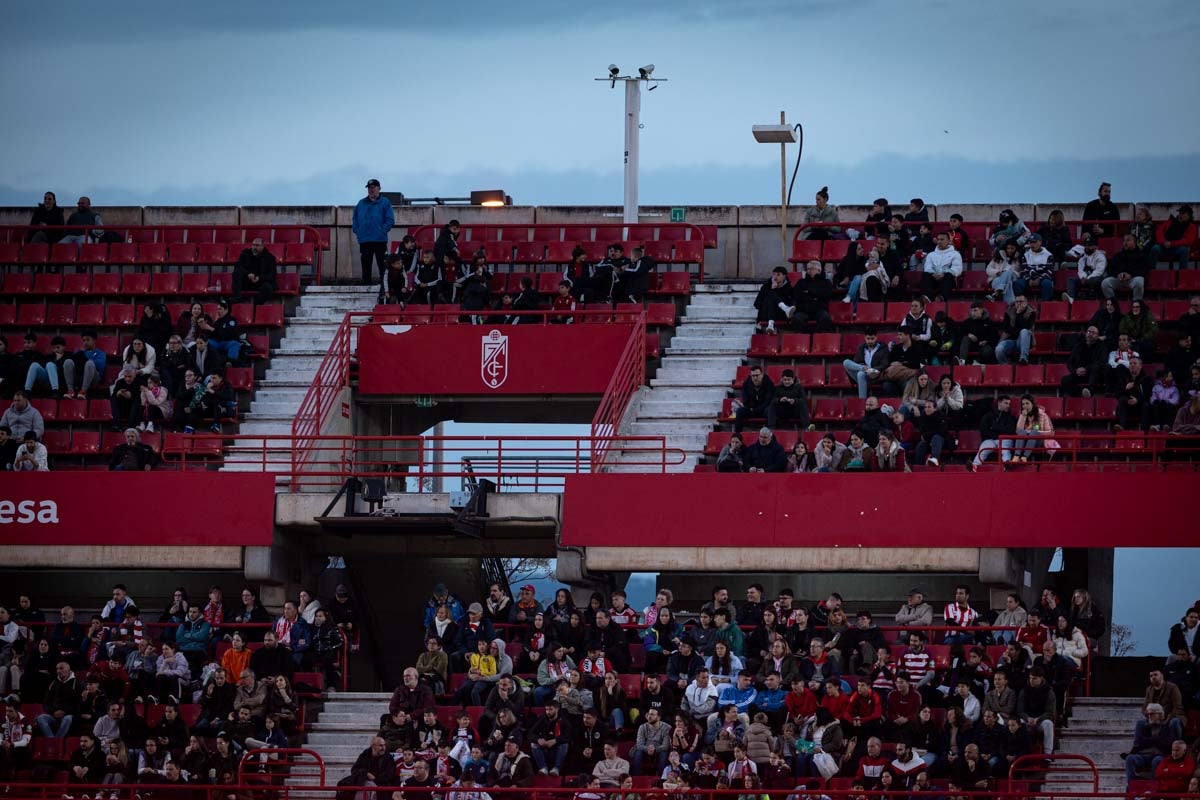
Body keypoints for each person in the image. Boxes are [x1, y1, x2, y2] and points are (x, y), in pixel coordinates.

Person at [352, 179, 394, 286]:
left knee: (383, 264)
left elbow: (390, 220)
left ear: (379, 188)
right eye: (369, 188)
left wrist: (382, 230)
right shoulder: (361, 203)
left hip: (380, 240)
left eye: (373, 187)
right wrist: (357, 230)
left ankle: (384, 286)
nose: (371, 190)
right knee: (365, 264)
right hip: (364, 239)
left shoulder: (385, 202)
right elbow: (355, 218)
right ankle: (366, 285)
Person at [1123, 704, 1173, 787]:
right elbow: (1139, 742)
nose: (1149, 716)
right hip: (1142, 755)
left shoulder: (1166, 727)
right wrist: (1156, 739)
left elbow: (1166, 744)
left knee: (1157, 760)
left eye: (1152, 714)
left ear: (1159, 714)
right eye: (1148, 714)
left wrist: (1149, 740)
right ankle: (1132, 787)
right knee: (1130, 759)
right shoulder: (1142, 725)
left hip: (1158, 755)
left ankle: (1153, 788)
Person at [1061, 325, 1107, 399]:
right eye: (1089, 332)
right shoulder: (1079, 345)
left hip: (1094, 375)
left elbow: (1102, 362)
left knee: (1095, 368)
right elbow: (1069, 362)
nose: (1090, 334)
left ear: (1097, 335)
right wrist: (1075, 370)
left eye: (1093, 332)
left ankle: (1089, 391)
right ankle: (1076, 397)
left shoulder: (1101, 346)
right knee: (1065, 380)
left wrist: (1086, 369)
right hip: (1080, 374)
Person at [842, 327, 888, 400]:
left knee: (860, 374)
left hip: (875, 375)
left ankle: (862, 402)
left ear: (876, 337)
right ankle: (863, 368)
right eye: (868, 339)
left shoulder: (883, 347)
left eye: (872, 339)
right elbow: (856, 362)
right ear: (865, 338)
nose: (870, 341)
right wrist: (862, 366)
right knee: (846, 362)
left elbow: (884, 364)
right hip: (862, 373)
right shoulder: (861, 347)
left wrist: (873, 370)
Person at [233, 236, 278, 304]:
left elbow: (272, 274)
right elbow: (238, 267)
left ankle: (256, 306)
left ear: (262, 246)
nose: (254, 247)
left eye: (257, 245)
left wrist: (259, 278)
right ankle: (237, 298)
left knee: (268, 287)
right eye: (253, 245)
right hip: (248, 281)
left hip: (261, 282)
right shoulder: (245, 254)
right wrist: (247, 274)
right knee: (237, 273)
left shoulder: (270, 258)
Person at [1063, 234, 1107, 304]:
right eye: (1086, 245)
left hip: (1097, 279)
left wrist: (1087, 278)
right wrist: (1083, 277)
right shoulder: (1083, 256)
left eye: (1089, 245)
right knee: (1071, 280)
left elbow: (1099, 272)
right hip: (1085, 279)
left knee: (1094, 280)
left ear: (1095, 247)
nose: (1087, 247)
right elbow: (1080, 269)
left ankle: (1094, 299)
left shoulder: (1100, 256)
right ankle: (1071, 298)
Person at [791, 259, 833, 330]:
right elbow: (796, 295)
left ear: (819, 270)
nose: (808, 271)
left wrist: (808, 292)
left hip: (820, 309)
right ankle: (808, 334)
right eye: (807, 269)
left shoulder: (826, 282)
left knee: (826, 318)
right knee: (796, 319)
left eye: (811, 269)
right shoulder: (801, 282)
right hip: (803, 310)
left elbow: (827, 294)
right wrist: (814, 297)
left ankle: (817, 336)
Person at [995, 295, 1036, 366]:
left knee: (1024, 331)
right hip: (1010, 340)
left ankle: (1023, 358)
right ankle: (1005, 365)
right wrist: (1017, 328)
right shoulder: (1008, 312)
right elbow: (1005, 328)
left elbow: (1027, 327)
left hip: (1023, 341)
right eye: (1016, 302)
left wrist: (1018, 314)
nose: (1018, 303)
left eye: (1021, 301)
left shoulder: (1031, 313)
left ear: (1026, 303)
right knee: (998, 349)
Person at [921, 231, 963, 301]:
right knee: (925, 274)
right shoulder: (931, 254)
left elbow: (957, 269)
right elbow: (927, 267)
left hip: (946, 279)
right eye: (938, 239)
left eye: (942, 239)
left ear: (949, 241)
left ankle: (941, 297)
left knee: (949, 275)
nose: (939, 242)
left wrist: (943, 274)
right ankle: (927, 297)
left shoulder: (955, 254)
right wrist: (933, 274)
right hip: (934, 278)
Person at [732, 366, 775, 432]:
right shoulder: (746, 384)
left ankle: (770, 432)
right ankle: (737, 434)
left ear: (762, 375)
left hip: (763, 409)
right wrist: (751, 408)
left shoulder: (769, 384)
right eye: (753, 376)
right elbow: (745, 400)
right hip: (751, 409)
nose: (755, 378)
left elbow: (768, 400)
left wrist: (758, 409)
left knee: (770, 410)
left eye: (757, 375)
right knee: (740, 411)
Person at [753, 266, 795, 334]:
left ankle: (771, 324)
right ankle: (784, 308)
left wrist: (776, 291)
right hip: (765, 314)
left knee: (771, 295)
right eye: (774, 274)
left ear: (784, 276)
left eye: (778, 275)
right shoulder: (766, 286)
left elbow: (791, 302)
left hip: (780, 314)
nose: (775, 277)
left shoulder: (789, 288)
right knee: (770, 294)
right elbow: (756, 304)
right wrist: (772, 290)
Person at [1154, 204, 1195, 270]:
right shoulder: (1170, 222)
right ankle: (1150, 272)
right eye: (1180, 213)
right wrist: (1163, 242)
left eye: (1184, 213)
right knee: (1155, 248)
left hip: (1176, 248)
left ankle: (1182, 274)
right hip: (1163, 246)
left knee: (1184, 250)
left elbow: (1188, 241)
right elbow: (1159, 230)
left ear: (1189, 215)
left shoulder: (1191, 227)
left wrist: (1172, 243)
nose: (1181, 215)